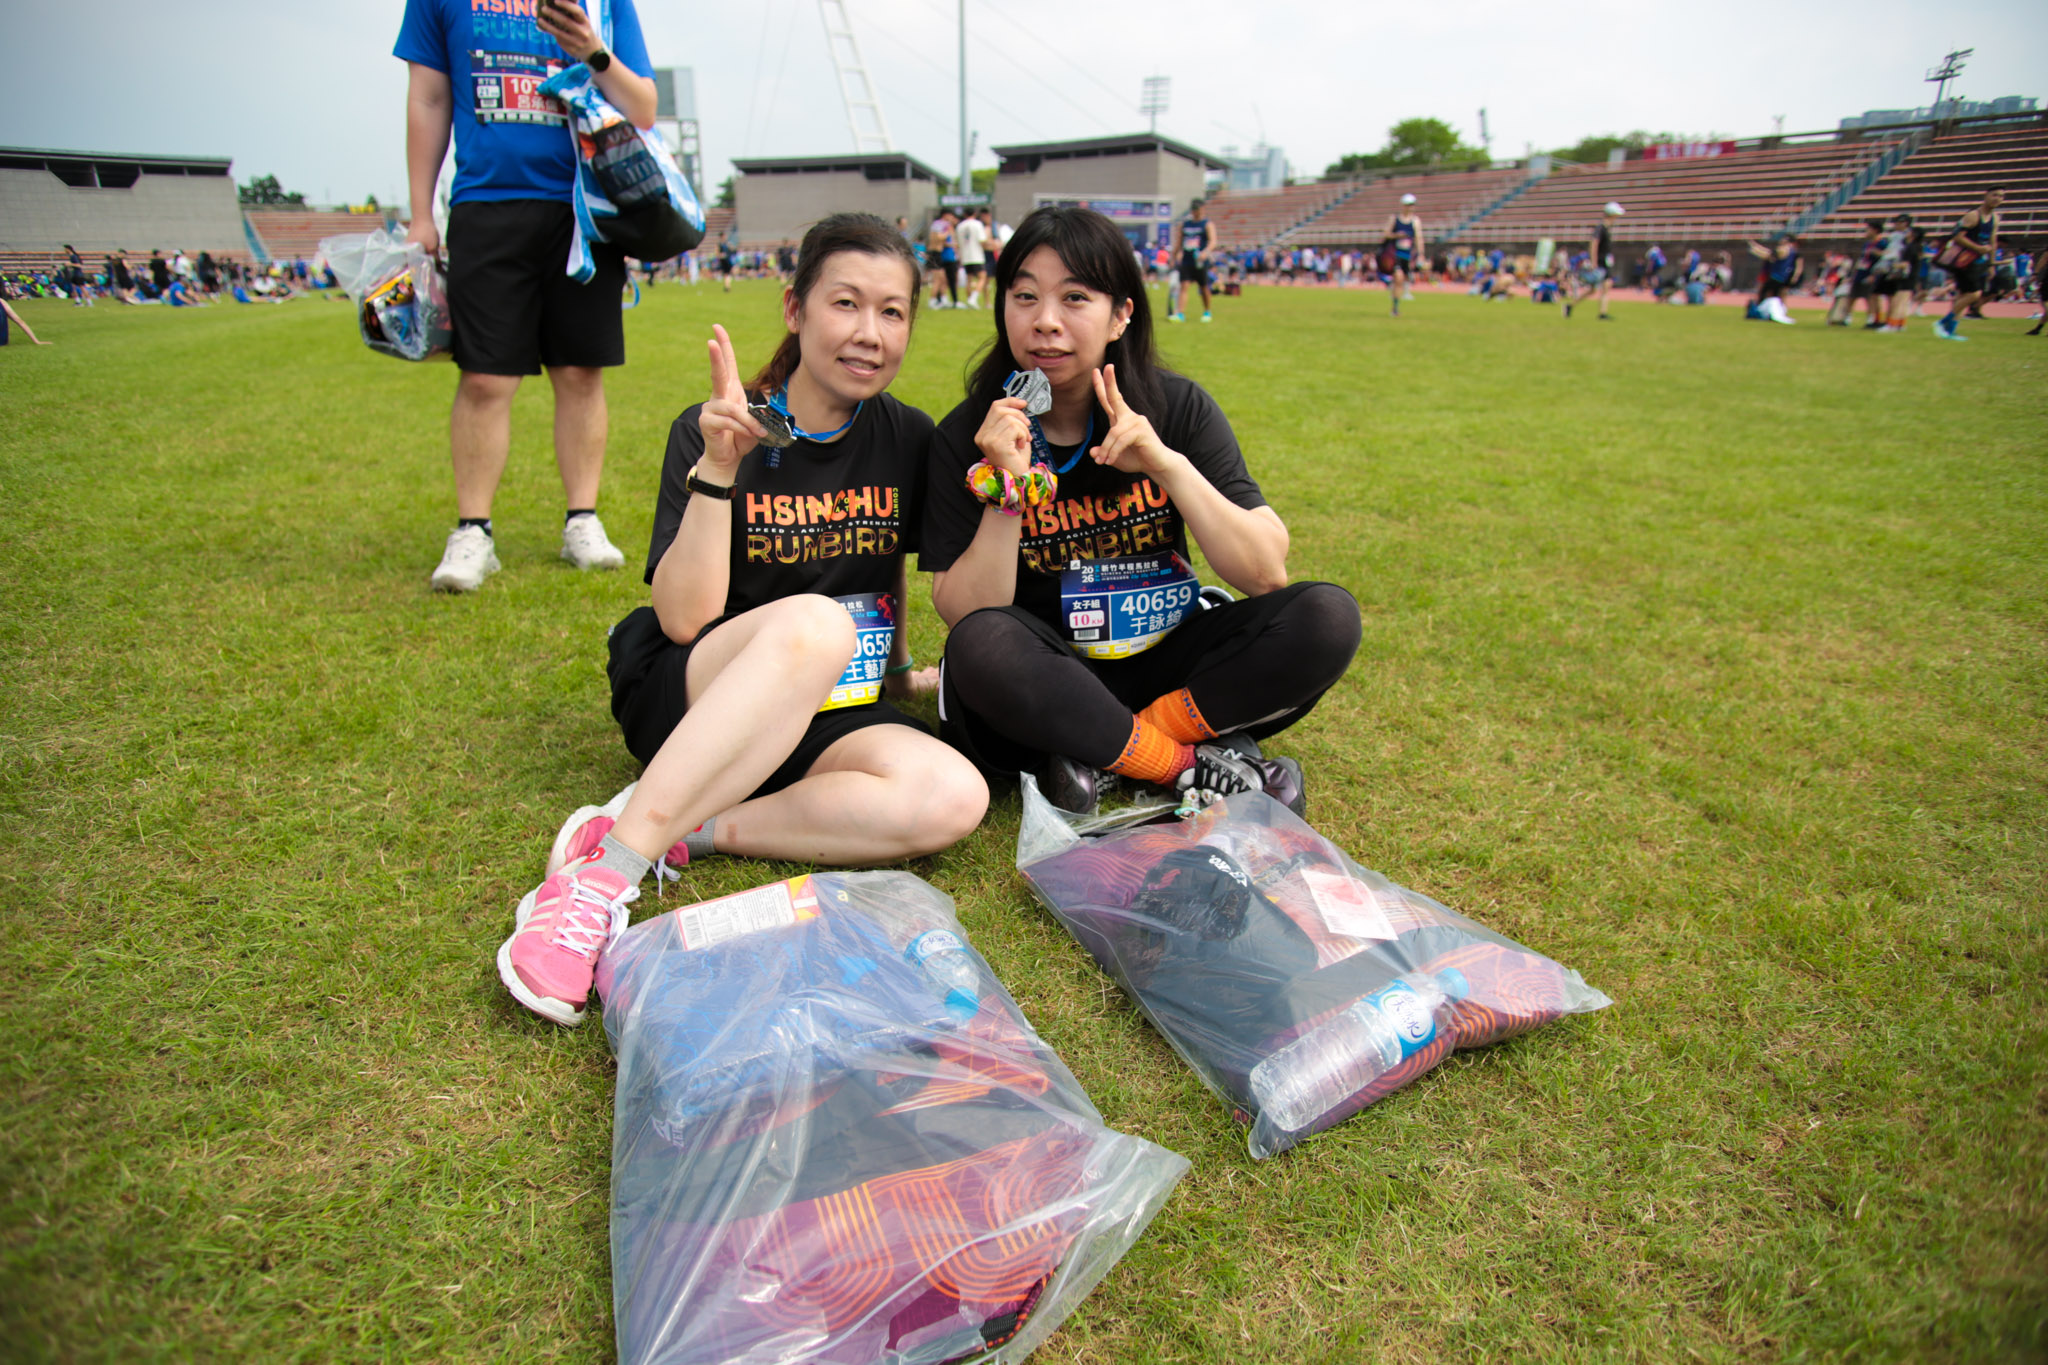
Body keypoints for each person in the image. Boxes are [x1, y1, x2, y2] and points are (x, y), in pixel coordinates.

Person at [497, 213, 989, 1027]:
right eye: (846, 304)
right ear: (795, 308)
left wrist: (899, 670)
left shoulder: (906, 435)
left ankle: (689, 827)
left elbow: (886, 574)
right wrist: (719, 469)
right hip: (699, 691)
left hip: (825, 706)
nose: (870, 333)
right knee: (817, 627)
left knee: (952, 795)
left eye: (892, 311)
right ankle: (602, 879)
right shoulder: (719, 425)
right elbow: (684, 617)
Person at [921, 206, 1361, 816]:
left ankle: (1107, 747)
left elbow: (1265, 573)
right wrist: (1007, 491)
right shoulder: (971, 432)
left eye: (1075, 298)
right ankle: (1182, 765)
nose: (1044, 321)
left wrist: (1167, 466)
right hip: (1044, 675)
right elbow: (968, 614)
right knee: (983, 643)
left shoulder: (1175, 408)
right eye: (1024, 297)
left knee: (1327, 617)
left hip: (1166, 659)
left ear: (1121, 315)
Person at [395, 0, 655, 592]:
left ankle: (582, 520)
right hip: (486, 204)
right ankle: (473, 531)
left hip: (585, 209)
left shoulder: (604, 3)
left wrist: (592, 50)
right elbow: (429, 97)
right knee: (485, 378)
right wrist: (420, 211)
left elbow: (642, 107)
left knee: (581, 372)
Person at [1933, 187, 2003, 342]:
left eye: (2001, 196)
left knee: (1963, 296)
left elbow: (1993, 241)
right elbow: (1958, 237)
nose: (1997, 198)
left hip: (1978, 261)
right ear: (1986, 196)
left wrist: (1991, 264)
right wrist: (1978, 248)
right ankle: (1943, 322)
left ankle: (1950, 331)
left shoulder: (1995, 218)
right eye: (1994, 195)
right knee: (1974, 294)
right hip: (1964, 261)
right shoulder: (1973, 215)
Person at [1568, 203, 1622, 320]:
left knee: (1598, 288)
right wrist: (1594, 262)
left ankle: (1572, 306)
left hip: (1604, 263)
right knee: (1601, 287)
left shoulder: (1606, 228)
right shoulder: (1601, 228)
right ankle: (1601, 313)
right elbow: (1594, 244)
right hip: (1600, 263)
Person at [1168, 199, 1214, 323]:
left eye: (1197, 209)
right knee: (1184, 286)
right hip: (1187, 261)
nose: (1195, 212)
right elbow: (1179, 243)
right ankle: (1180, 313)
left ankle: (1207, 311)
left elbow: (1213, 241)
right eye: (1193, 209)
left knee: (1204, 287)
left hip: (1200, 262)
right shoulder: (1185, 225)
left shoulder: (1207, 224)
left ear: (1202, 209)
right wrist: (1173, 257)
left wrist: (1205, 253)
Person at [1746, 235, 1804, 324]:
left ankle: (1764, 312)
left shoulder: (1785, 250)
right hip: (1784, 277)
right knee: (1779, 295)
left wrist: (1755, 247)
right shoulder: (1793, 252)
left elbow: (1768, 254)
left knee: (1767, 294)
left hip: (1777, 276)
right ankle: (1778, 311)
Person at [1384, 193, 1422, 317]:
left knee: (1401, 282)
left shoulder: (1415, 221)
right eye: (1408, 205)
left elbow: (1419, 238)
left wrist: (1421, 254)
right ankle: (1394, 309)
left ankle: (1395, 303)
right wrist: (1397, 235)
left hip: (1407, 255)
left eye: (1412, 205)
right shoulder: (1394, 219)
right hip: (1395, 254)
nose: (1410, 207)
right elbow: (1386, 234)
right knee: (1399, 277)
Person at [956, 205, 991, 309]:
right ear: (975, 214)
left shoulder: (960, 226)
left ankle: (970, 299)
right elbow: (982, 240)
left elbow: (958, 242)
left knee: (969, 279)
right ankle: (973, 298)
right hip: (976, 255)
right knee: (982, 277)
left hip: (965, 255)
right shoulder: (977, 224)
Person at [924, 209, 957, 308]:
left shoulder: (941, 224)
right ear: (945, 215)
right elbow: (938, 237)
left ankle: (943, 300)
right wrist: (947, 232)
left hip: (938, 253)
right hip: (935, 253)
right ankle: (932, 301)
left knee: (943, 279)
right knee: (937, 280)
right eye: (950, 215)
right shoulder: (939, 224)